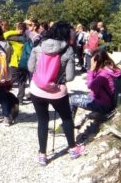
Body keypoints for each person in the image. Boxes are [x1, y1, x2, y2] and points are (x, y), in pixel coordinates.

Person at [28, 21, 85, 166]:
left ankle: (42, 155)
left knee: (42, 120)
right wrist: (56, 80)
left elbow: (30, 67)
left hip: (36, 89)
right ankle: (73, 149)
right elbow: (71, 76)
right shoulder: (68, 50)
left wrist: (42, 77)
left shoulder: (39, 46)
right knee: (66, 118)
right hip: (57, 91)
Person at [70, 50, 121, 117]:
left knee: (72, 99)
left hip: (103, 105)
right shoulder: (110, 69)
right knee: (80, 96)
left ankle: (68, 125)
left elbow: (90, 85)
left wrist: (91, 70)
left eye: (92, 61)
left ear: (96, 61)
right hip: (109, 101)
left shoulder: (103, 75)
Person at [4, 22, 29, 103]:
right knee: (22, 81)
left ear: (18, 29)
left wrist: (16, 32)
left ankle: (4, 94)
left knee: (11, 79)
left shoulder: (15, 40)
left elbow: (4, 35)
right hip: (25, 63)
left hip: (15, 63)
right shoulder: (28, 39)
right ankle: (20, 99)